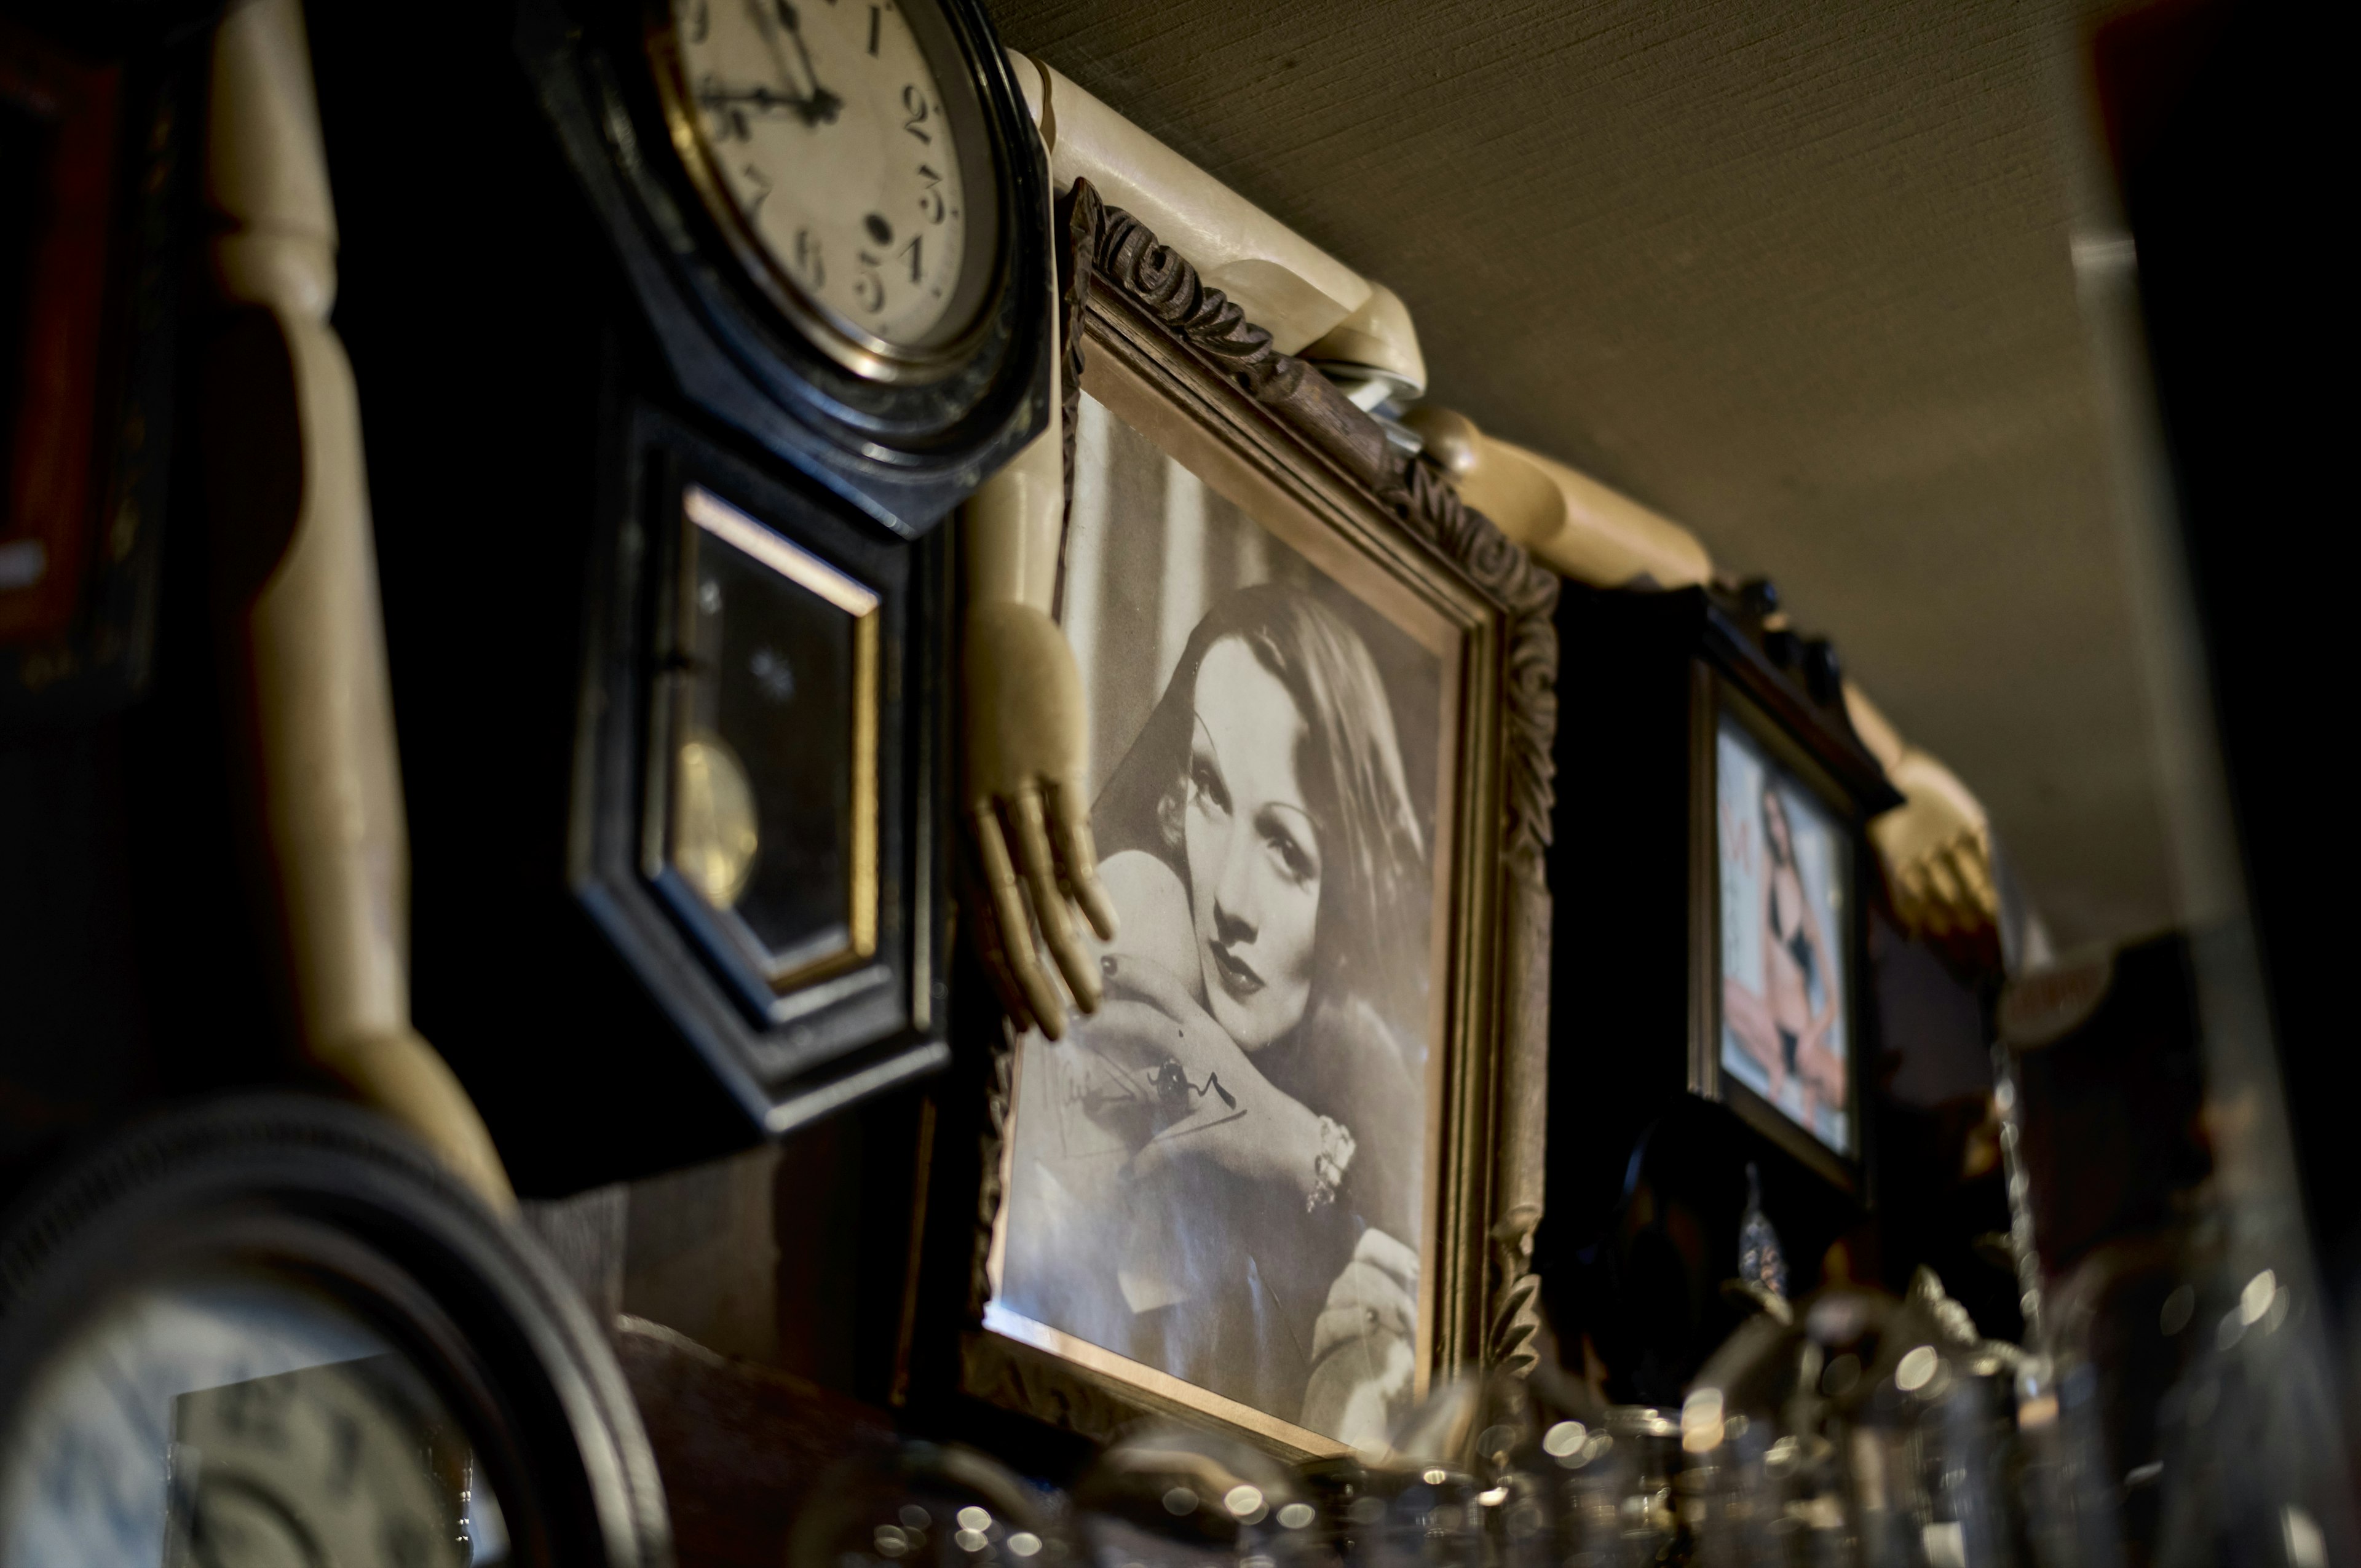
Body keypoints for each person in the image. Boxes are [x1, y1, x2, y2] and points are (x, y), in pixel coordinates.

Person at [997, 583, 1431, 1447]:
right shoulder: (1145, 903)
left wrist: (1302, 1143)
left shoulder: (1373, 1082)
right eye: (1209, 787)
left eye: (1287, 848)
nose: (1229, 898)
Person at [1723, 784, 1843, 1130]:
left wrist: (1812, 1034)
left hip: (1803, 1041)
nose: (1776, 829)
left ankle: (1808, 1088)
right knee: (1726, 993)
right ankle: (1776, 1068)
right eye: (1769, 819)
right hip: (1773, 1033)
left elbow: (1834, 1000)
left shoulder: (1808, 905)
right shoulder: (1767, 867)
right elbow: (1763, 948)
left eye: (1780, 819)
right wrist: (1762, 1005)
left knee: (1843, 1084)